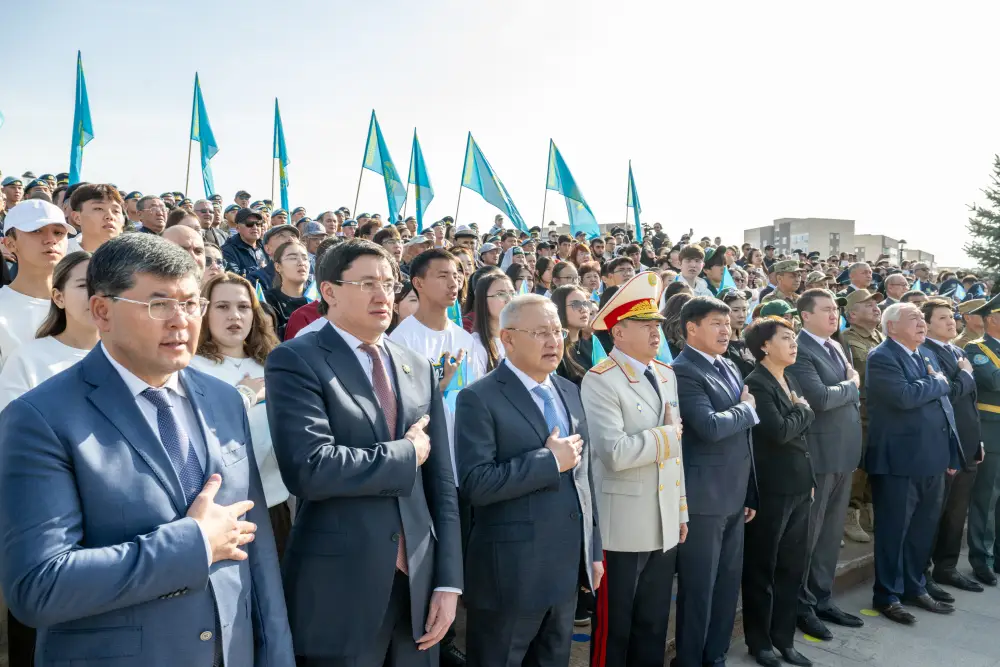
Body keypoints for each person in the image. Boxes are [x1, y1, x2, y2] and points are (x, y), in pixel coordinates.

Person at [0, 233, 293, 666]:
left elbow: (256, 552)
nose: (181, 321)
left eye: (191, 304)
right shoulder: (41, 418)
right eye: (158, 305)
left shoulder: (224, 400)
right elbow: (40, 586)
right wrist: (191, 543)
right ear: (102, 311)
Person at [265, 239, 462, 665]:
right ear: (329, 292)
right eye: (367, 283)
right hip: (339, 587)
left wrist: (448, 580)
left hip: (418, 588)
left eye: (389, 284)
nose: (383, 295)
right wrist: (405, 454)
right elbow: (310, 468)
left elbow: (441, 483)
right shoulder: (296, 360)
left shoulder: (416, 366)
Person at [456, 294, 600, 667]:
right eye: (540, 332)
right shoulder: (479, 397)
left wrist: (593, 551)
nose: (554, 341)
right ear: (508, 338)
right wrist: (547, 462)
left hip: (565, 573)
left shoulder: (569, 390)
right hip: (510, 578)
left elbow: (584, 479)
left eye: (557, 331)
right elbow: (476, 483)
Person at [581, 272, 687, 667]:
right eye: (645, 325)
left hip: (661, 522)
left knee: (653, 625)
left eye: (657, 324)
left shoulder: (665, 373)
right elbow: (615, 453)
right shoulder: (601, 380)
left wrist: (679, 510)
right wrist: (667, 436)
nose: (655, 331)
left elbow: (673, 460)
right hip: (621, 528)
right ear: (619, 332)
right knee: (615, 629)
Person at [672, 296, 758, 667]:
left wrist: (749, 491)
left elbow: (741, 437)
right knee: (698, 589)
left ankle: (716, 655)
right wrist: (746, 409)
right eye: (715, 324)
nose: (726, 330)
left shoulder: (728, 365)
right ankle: (689, 659)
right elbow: (707, 426)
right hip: (703, 498)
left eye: (727, 323)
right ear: (691, 328)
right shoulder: (683, 370)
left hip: (734, 494)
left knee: (726, 587)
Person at [866, 302, 963, 623]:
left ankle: (914, 586)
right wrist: (937, 382)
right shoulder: (882, 357)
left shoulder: (925, 353)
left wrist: (951, 452)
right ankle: (887, 595)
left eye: (923, 318)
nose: (922, 323)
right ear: (892, 327)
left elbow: (945, 408)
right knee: (894, 531)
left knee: (922, 531)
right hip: (899, 462)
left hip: (933, 459)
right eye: (914, 319)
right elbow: (905, 397)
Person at [190, 272, 292, 559]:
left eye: (243, 307)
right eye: (222, 306)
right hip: (221, 508)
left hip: (274, 503)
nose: (234, 315)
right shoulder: (190, 367)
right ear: (204, 312)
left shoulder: (276, 363)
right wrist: (244, 395)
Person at [785, 289, 864, 640]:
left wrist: (845, 388)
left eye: (836, 309)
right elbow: (819, 399)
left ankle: (821, 597)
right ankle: (800, 605)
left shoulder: (836, 345)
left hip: (843, 453)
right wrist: (852, 384)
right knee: (810, 536)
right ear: (805, 315)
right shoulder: (800, 348)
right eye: (827, 309)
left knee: (831, 535)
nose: (834, 315)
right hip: (818, 455)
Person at [742, 316, 816, 667]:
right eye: (785, 338)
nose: (793, 343)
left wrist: (801, 414)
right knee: (763, 568)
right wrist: (803, 410)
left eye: (794, 337)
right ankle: (760, 642)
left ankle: (783, 638)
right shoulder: (757, 382)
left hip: (800, 486)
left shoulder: (791, 377)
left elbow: (797, 431)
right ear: (765, 346)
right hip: (771, 491)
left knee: (791, 568)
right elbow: (778, 431)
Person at [919, 299, 984, 594]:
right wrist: (966, 374)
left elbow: (970, 404)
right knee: (935, 513)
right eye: (942, 318)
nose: (951, 322)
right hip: (945, 444)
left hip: (966, 443)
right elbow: (950, 394)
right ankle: (925, 573)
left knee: (957, 512)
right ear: (927, 323)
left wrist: (977, 439)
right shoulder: (926, 353)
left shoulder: (957, 351)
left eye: (951, 316)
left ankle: (946, 567)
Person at [0, 251, 96, 411]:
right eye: (83, 285)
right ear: (58, 297)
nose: (95, 295)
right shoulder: (27, 360)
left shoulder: (129, 357)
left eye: (103, 285)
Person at [0, 200, 73, 368]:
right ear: (10, 243)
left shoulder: (85, 304)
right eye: (36, 231)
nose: (50, 240)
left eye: (58, 232)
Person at [837, 289, 885, 544]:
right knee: (858, 466)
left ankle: (868, 508)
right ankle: (849, 514)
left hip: (880, 411)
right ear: (852, 314)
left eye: (876, 304)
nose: (875, 308)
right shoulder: (846, 338)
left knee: (873, 464)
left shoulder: (880, 336)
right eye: (867, 305)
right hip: (860, 410)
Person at [963, 294, 1000, 586]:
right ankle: (982, 559)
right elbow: (994, 381)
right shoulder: (977, 348)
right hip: (991, 429)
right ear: (991, 319)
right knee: (986, 498)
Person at [468, 273, 513, 380]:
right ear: (483, 300)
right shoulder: (474, 344)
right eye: (501, 294)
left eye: (512, 293)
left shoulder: (520, 340)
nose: (509, 300)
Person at [264, 240, 311, 339]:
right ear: (278, 266)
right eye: (293, 258)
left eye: (305, 258)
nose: (301, 263)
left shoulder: (319, 298)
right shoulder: (267, 300)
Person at [552, 285, 595, 384]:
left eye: (586, 304)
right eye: (575, 304)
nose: (584, 309)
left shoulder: (593, 344)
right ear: (559, 309)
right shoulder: (554, 348)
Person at [65, 183, 124, 253]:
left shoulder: (132, 257)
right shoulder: (61, 253)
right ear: (77, 217)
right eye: (99, 209)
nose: (110, 216)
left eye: (116, 211)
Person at [222, 208, 267, 279]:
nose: (255, 227)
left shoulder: (266, 246)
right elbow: (232, 277)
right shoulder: (227, 250)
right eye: (249, 224)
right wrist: (259, 269)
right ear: (237, 228)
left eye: (258, 224)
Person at [721, 289, 754, 378]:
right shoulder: (719, 346)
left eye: (744, 309)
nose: (742, 315)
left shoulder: (748, 341)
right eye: (735, 310)